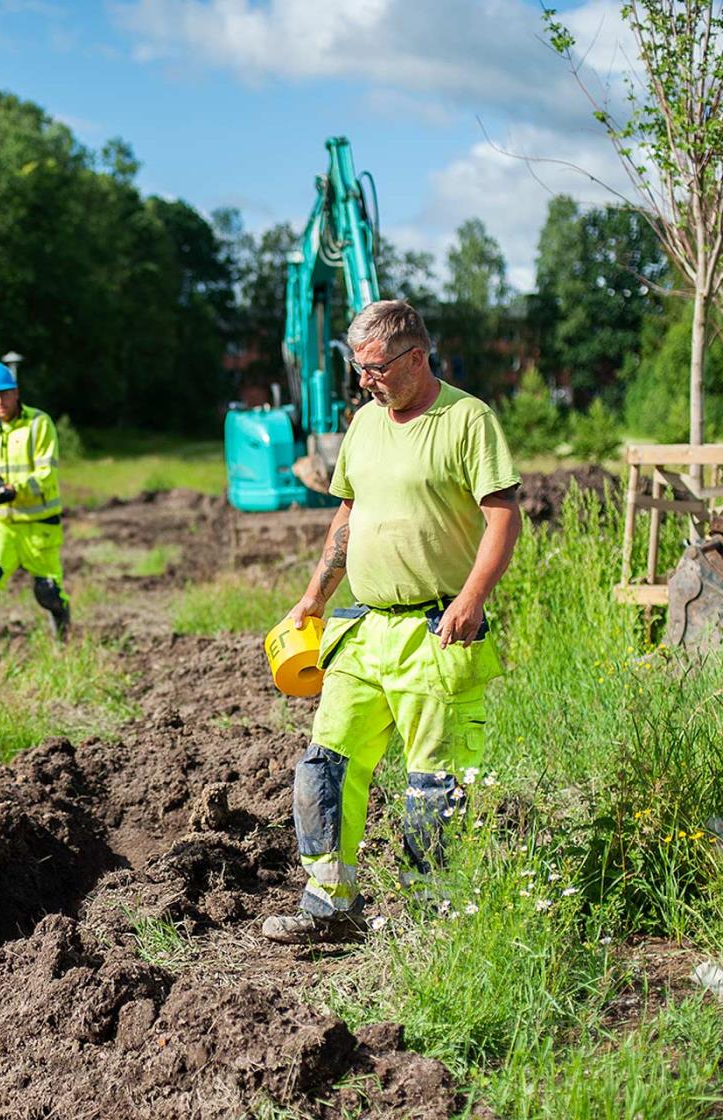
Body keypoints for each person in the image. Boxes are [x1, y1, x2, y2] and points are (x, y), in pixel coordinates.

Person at [261, 301, 522, 944]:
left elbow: (504, 517)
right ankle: (329, 905)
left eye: (374, 368)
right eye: (357, 368)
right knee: (327, 765)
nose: (363, 381)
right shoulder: (364, 424)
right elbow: (348, 516)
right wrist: (313, 598)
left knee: (436, 784)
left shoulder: (467, 420)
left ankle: (438, 921)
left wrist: (473, 598)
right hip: (365, 628)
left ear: (415, 357)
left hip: (437, 630)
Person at [0, 361, 70, 664]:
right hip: (1, 527)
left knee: (48, 592)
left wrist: (16, 489)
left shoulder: (39, 424)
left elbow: (46, 472)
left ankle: (62, 650)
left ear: (16, 392)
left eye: (3, 394)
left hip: (39, 527)